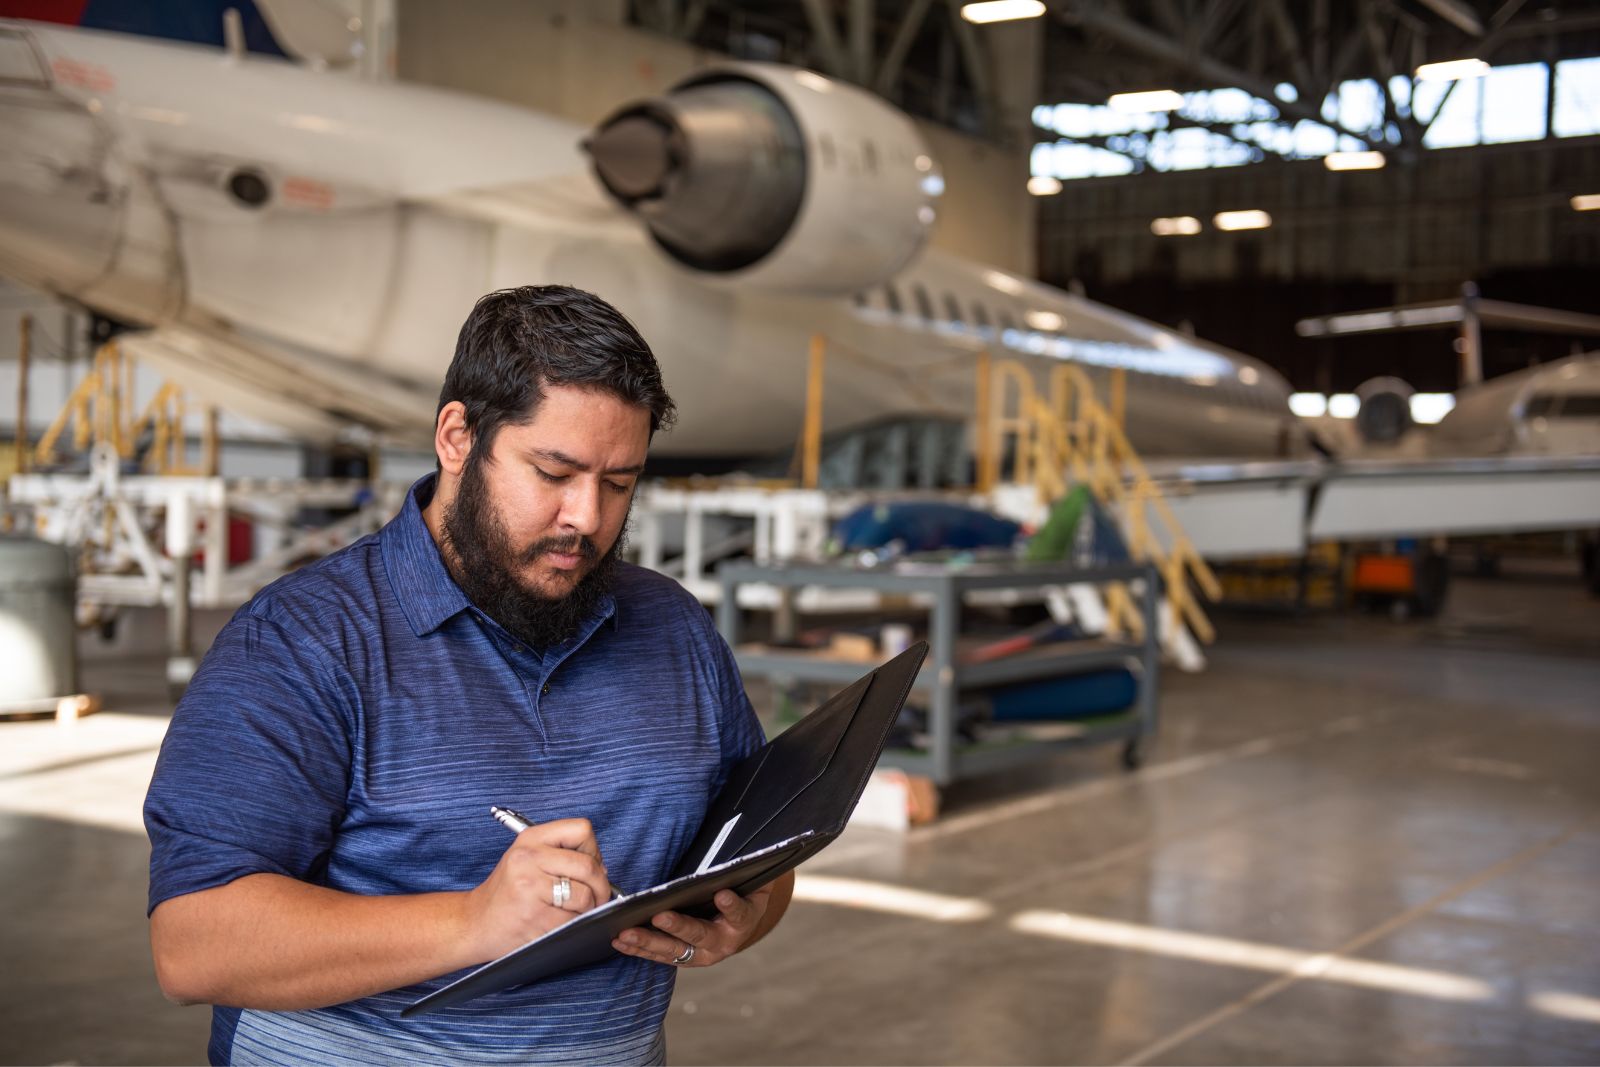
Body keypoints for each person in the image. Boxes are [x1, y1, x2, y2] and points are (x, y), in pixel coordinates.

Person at [144, 285, 793, 1065]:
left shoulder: (674, 628)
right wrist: (474, 922)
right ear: (458, 436)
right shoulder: (303, 640)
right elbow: (193, 946)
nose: (587, 516)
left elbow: (766, 852)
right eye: (553, 472)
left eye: (619, 482)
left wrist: (742, 914)